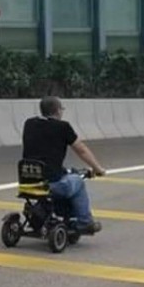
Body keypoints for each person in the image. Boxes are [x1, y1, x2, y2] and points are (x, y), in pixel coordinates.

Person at [22, 96, 106, 233]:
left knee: (67, 173)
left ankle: (42, 215)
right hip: (50, 184)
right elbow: (82, 150)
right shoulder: (62, 127)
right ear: (58, 111)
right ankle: (85, 222)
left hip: (28, 182)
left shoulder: (29, 123)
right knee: (78, 181)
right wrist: (98, 169)